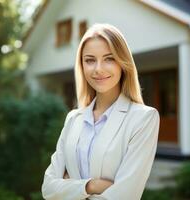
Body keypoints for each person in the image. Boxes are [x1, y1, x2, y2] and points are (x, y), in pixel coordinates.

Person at [42, 23, 160, 200]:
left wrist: (68, 189)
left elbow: (124, 196)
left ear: (123, 63)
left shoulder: (143, 118)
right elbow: (48, 188)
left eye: (109, 58)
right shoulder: (73, 119)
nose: (98, 69)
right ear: (81, 66)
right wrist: (91, 186)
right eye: (90, 60)